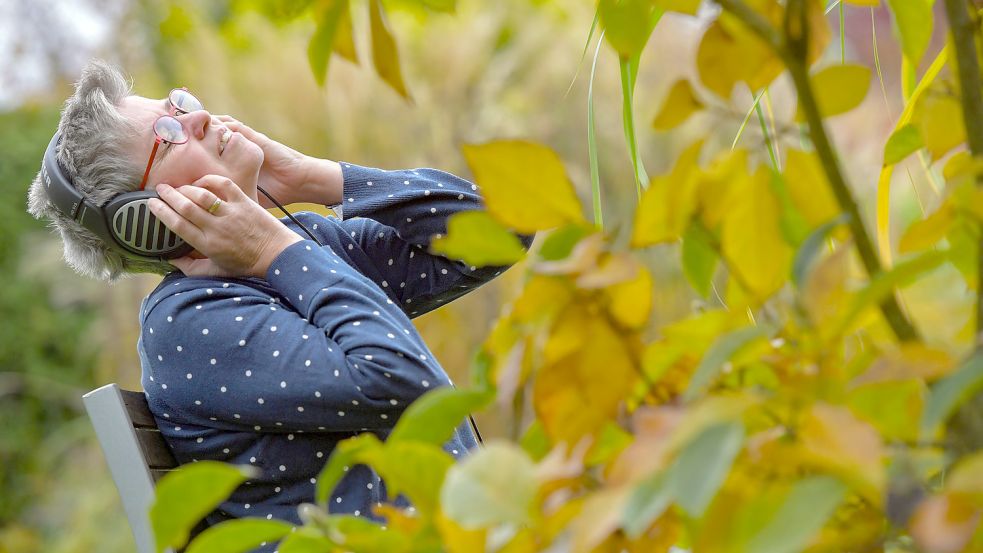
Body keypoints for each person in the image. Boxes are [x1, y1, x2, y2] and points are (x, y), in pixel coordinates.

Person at [26, 60, 535, 551]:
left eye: (178, 104)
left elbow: (504, 230)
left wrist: (309, 178)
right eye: (168, 131)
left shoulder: (299, 248)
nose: (197, 116)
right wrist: (273, 250)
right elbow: (405, 382)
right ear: (147, 220)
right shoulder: (187, 326)